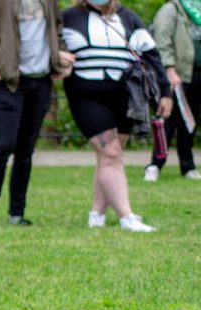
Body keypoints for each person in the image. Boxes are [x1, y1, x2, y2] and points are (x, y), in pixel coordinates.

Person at [63, 0, 172, 232]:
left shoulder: (129, 18)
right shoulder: (68, 17)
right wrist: (58, 59)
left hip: (125, 96)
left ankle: (97, 214)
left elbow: (152, 55)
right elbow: (50, 47)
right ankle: (126, 217)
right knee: (110, 153)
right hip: (87, 96)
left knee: (109, 157)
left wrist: (164, 92)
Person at [0, 0, 75, 226]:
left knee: (25, 150)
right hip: (8, 83)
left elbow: (57, 30)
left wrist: (61, 56)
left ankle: (16, 214)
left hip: (41, 82)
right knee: (2, 146)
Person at [143, 0, 201, 182]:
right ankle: (155, 164)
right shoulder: (171, 10)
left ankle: (188, 166)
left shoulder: (197, 10)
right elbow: (162, 40)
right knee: (167, 121)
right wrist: (169, 69)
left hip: (196, 75)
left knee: (189, 123)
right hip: (175, 75)